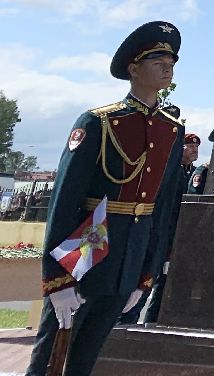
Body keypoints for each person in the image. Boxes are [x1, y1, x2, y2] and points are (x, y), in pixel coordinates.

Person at [26, 22, 185, 376]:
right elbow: (65, 200)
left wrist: (146, 274)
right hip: (86, 249)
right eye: (157, 59)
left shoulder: (171, 130)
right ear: (133, 69)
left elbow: (161, 208)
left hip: (130, 255)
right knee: (51, 357)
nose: (167, 65)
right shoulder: (100, 122)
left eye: (171, 60)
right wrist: (57, 278)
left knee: (86, 358)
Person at [125, 131, 202, 325]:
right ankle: (127, 324)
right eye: (190, 146)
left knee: (163, 287)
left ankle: (152, 323)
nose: (194, 150)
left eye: (196, 147)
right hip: (161, 237)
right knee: (144, 285)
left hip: (174, 239)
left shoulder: (189, 172)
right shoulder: (172, 172)